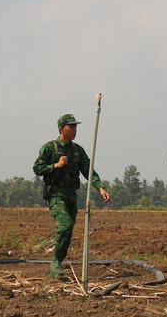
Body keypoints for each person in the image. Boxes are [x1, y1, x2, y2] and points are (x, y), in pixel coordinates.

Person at [33, 113, 111, 278]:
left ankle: (58, 264)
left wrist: (100, 188)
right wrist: (55, 165)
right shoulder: (50, 148)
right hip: (56, 194)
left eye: (75, 126)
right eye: (71, 126)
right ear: (62, 129)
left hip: (71, 195)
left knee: (68, 230)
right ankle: (56, 262)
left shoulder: (77, 151)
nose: (75, 130)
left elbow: (88, 171)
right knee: (65, 225)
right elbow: (37, 168)